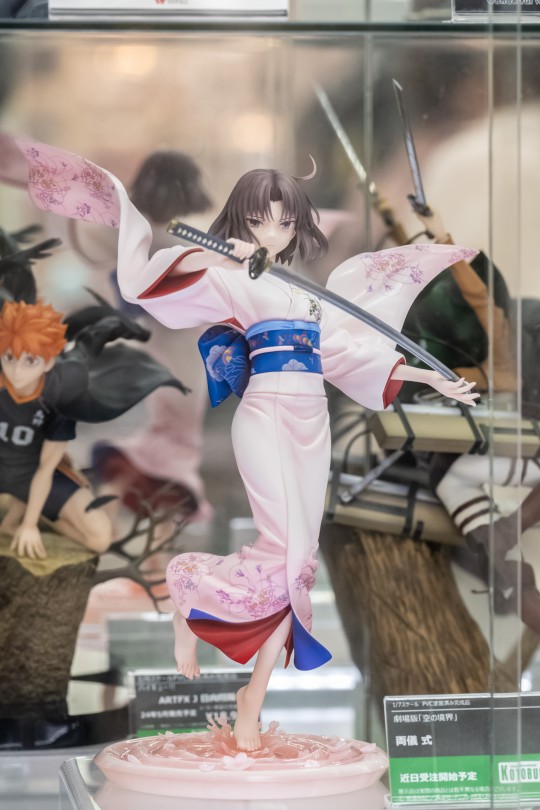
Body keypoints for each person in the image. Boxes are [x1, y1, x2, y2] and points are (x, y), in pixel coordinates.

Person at [14, 138, 479, 750]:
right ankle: (191, 589)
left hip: (312, 421)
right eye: (260, 220)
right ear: (241, 221)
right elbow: (157, 285)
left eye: (285, 222)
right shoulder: (233, 279)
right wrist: (221, 257)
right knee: (281, 549)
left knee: (298, 563)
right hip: (265, 414)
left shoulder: (308, 296)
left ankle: (249, 700)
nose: (274, 232)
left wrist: (431, 378)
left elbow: (347, 356)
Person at [0, 299, 112, 559]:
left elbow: (45, 469)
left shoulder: (60, 400)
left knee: (99, 538)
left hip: (33, 475)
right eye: (9, 357)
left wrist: (29, 524)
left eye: (30, 361)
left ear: (49, 362)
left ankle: (28, 516)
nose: (17, 370)